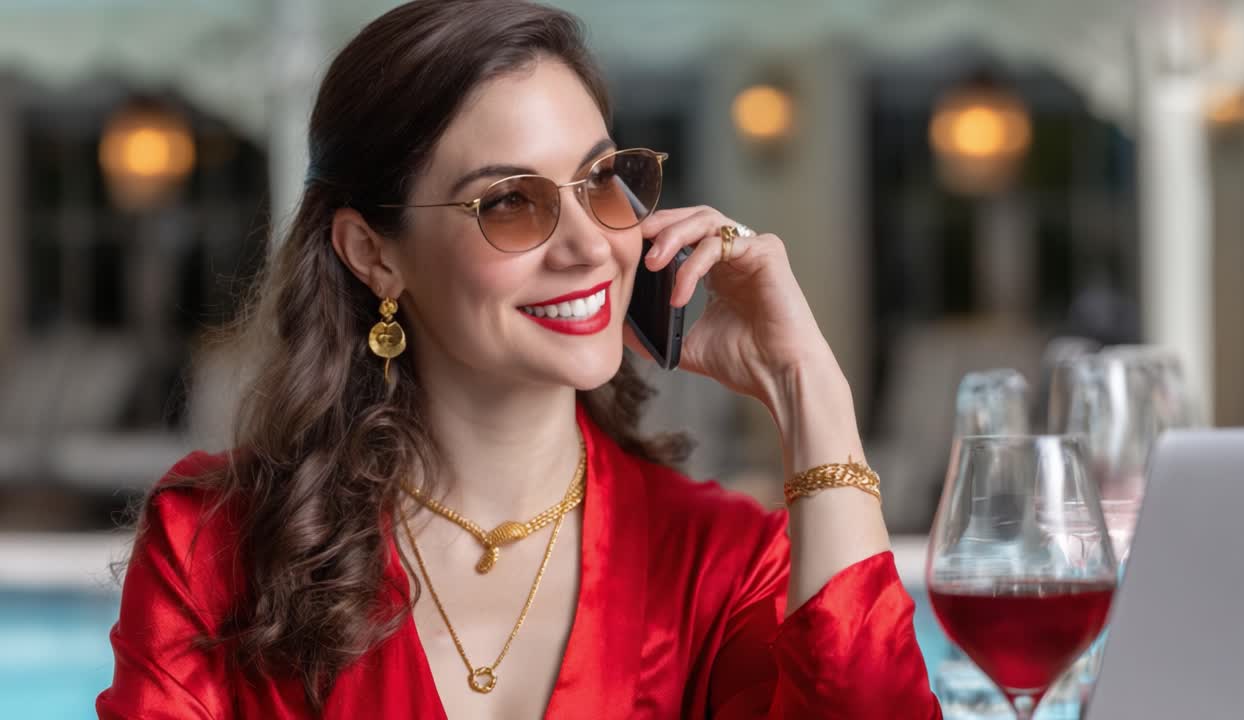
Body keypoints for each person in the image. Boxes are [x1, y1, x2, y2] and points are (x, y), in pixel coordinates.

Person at [96, 1, 941, 718]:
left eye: (602, 179)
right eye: (509, 201)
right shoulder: (211, 551)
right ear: (373, 254)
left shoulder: (724, 562)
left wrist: (811, 389)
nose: (589, 246)